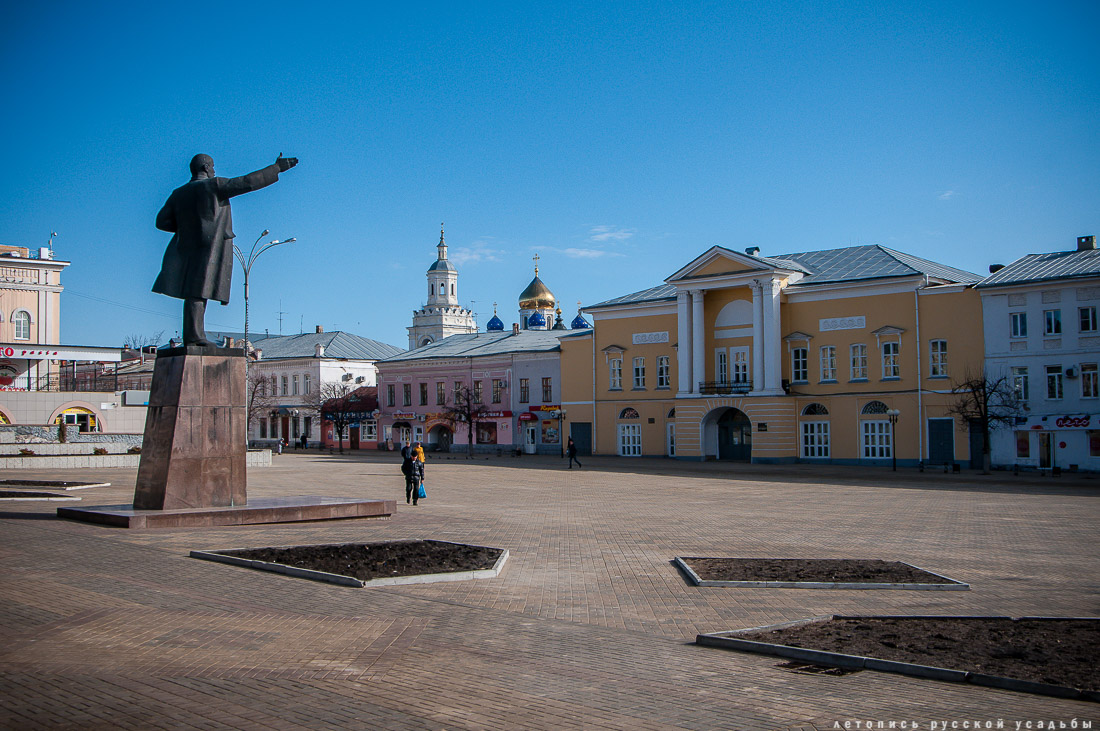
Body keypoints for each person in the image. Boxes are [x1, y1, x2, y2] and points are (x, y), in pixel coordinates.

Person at [153, 153, 298, 346]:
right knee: (198, 291)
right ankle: (195, 336)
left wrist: (188, 227)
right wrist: (276, 168)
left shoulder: (178, 193)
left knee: (193, 291)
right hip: (209, 246)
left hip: (185, 247)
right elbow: (247, 182)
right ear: (205, 167)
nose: (214, 170)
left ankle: (193, 336)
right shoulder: (213, 185)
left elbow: (161, 221)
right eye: (212, 166)